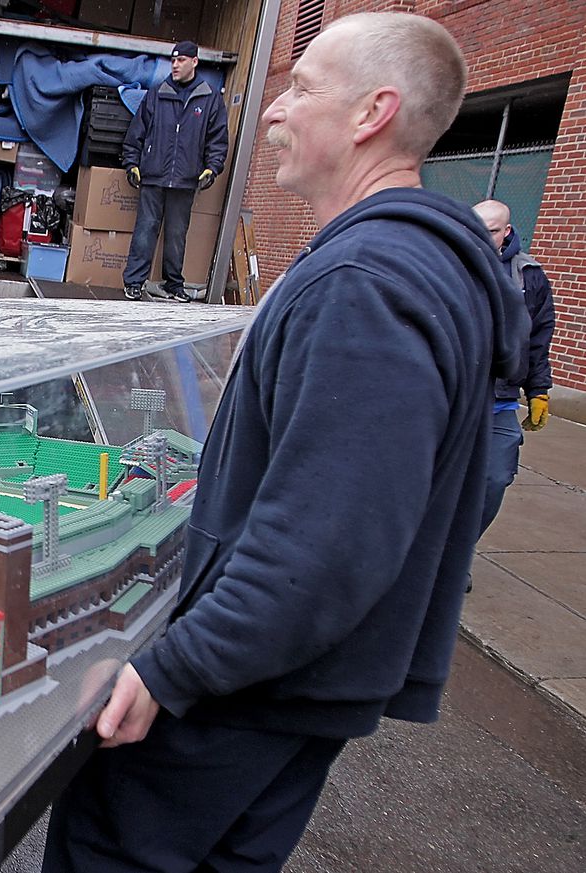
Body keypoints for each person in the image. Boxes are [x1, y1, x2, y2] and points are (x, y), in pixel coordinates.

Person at [43, 13, 529, 873]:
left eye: (301, 88)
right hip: (295, 690)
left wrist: (172, 670)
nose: (272, 113)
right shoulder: (407, 267)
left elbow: (325, 544)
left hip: (247, 692)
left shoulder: (365, 284)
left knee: (109, 848)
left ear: (371, 113)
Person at [121, 40, 229, 302]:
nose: (175, 65)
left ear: (195, 62)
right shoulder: (157, 93)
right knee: (145, 229)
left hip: (185, 179)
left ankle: (173, 284)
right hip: (154, 174)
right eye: (173, 60)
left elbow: (217, 138)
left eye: (181, 60)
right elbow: (137, 132)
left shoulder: (210, 98)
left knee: (177, 235)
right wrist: (132, 163)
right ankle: (134, 282)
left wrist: (211, 169)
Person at [472, 198, 556, 536]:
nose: (480, 237)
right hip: (452, 397)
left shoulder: (529, 276)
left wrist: (539, 390)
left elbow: (538, 338)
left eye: (490, 231)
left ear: (506, 232)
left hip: (500, 400)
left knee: (493, 480)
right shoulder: (449, 265)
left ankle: (456, 553)